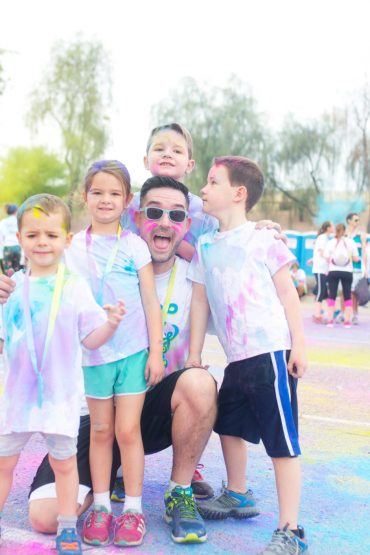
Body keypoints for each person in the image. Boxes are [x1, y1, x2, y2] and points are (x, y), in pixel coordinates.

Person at [186, 156, 309, 554]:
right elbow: (200, 302)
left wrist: (300, 346)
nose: (203, 189)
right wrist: (193, 354)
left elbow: (289, 294)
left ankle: (291, 529)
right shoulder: (205, 246)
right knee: (229, 426)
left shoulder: (262, 240)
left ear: (238, 193)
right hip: (235, 358)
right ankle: (238, 492)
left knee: (281, 441)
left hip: (270, 351)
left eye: (212, 182)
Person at [0, 194, 125, 555]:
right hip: (17, 400)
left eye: (52, 235)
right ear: (20, 238)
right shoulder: (10, 289)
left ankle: (68, 526)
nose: (42, 242)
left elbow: (92, 339)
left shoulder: (74, 287)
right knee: (4, 464)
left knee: (64, 465)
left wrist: (111, 325)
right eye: (34, 234)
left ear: (67, 240)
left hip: (60, 400)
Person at [68, 160, 164, 548]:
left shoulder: (134, 245)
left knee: (127, 430)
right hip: (93, 356)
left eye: (114, 193)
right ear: (85, 197)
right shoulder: (72, 246)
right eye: (97, 192)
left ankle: (134, 510)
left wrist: (155, 353)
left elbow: (151, 303)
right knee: (102, 431)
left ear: (127, 200)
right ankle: (103, 505)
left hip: (132, 354)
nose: (105, 200)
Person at [324, 223, 359, 328]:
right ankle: (347, 321)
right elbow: (356, 258)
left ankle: (330, 321)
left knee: (332, 296)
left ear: (336, 230)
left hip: (333, 271)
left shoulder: (331, 242)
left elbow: (326, 257)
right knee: (347, 296)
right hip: (347, 271)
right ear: (345, 231)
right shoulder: (351, 242)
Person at [345, 212, 368, 324]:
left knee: (354, 292)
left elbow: (364, 253)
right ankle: (344, 313)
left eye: (358, 220)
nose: (357, 222)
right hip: (344, 268)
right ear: (349, 221)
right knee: (344, 292)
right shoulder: (344, 235)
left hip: (357, 268)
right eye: (355, 220)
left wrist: (366, 269)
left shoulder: (361, 236)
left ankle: (355, 314)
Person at [311, 221, 333, 323]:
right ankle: (317, 314)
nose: (333, 227)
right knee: (320, 291)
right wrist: (331, 259)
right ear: (328, 228)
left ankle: (318, 312)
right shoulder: (322, 238)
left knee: (322, 291)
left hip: (324, 269)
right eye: (332, 226)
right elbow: (321, 252)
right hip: (320, 269)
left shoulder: (326, 238)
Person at [0, 204, 22, 274]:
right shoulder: (20, 221)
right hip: (18, 247)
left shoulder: (3, 222)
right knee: (19, 271)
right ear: (16, 211)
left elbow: (1, 238)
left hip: (7, 248)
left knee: (8, 272)